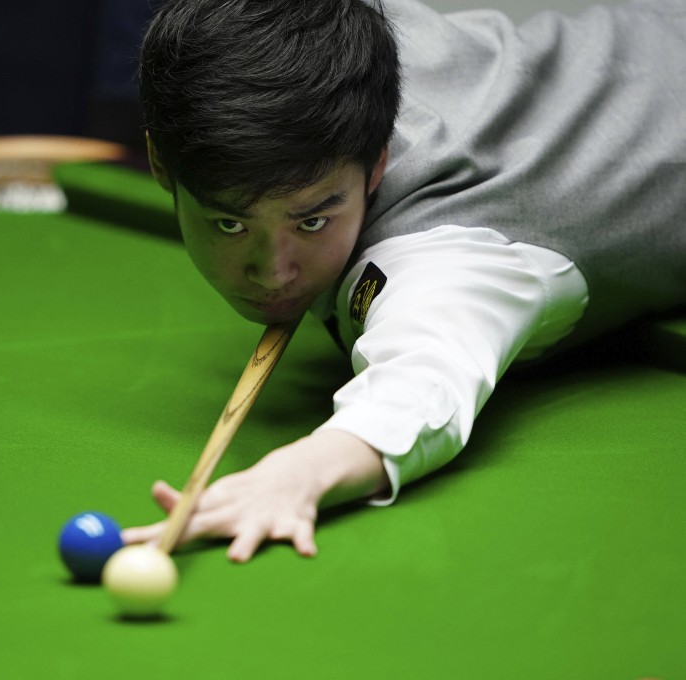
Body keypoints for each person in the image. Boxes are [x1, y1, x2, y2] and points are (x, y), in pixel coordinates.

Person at [120, 0, 686, 562]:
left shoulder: (444, 251)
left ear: (378, 163)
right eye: (230, 223)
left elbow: (425, 378)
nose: (274, 272)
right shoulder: (333, 32)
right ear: (159, 162)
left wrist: (300, 473)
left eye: (313, 220)